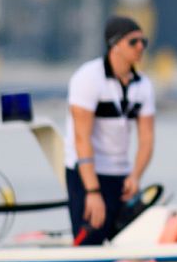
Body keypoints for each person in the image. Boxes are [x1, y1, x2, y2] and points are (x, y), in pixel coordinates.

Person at [65, 15, 156, 246]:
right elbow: (81, 137)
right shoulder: (88, 78)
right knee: (90, 239)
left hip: (121, 174)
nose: (140, 48)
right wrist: (93, 192)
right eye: (133, 42)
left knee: (127, 240)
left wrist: (135, 175)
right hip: (87, 173)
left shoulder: (143, 85)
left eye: (143, 42)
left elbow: (147, 139)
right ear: (115, 45)